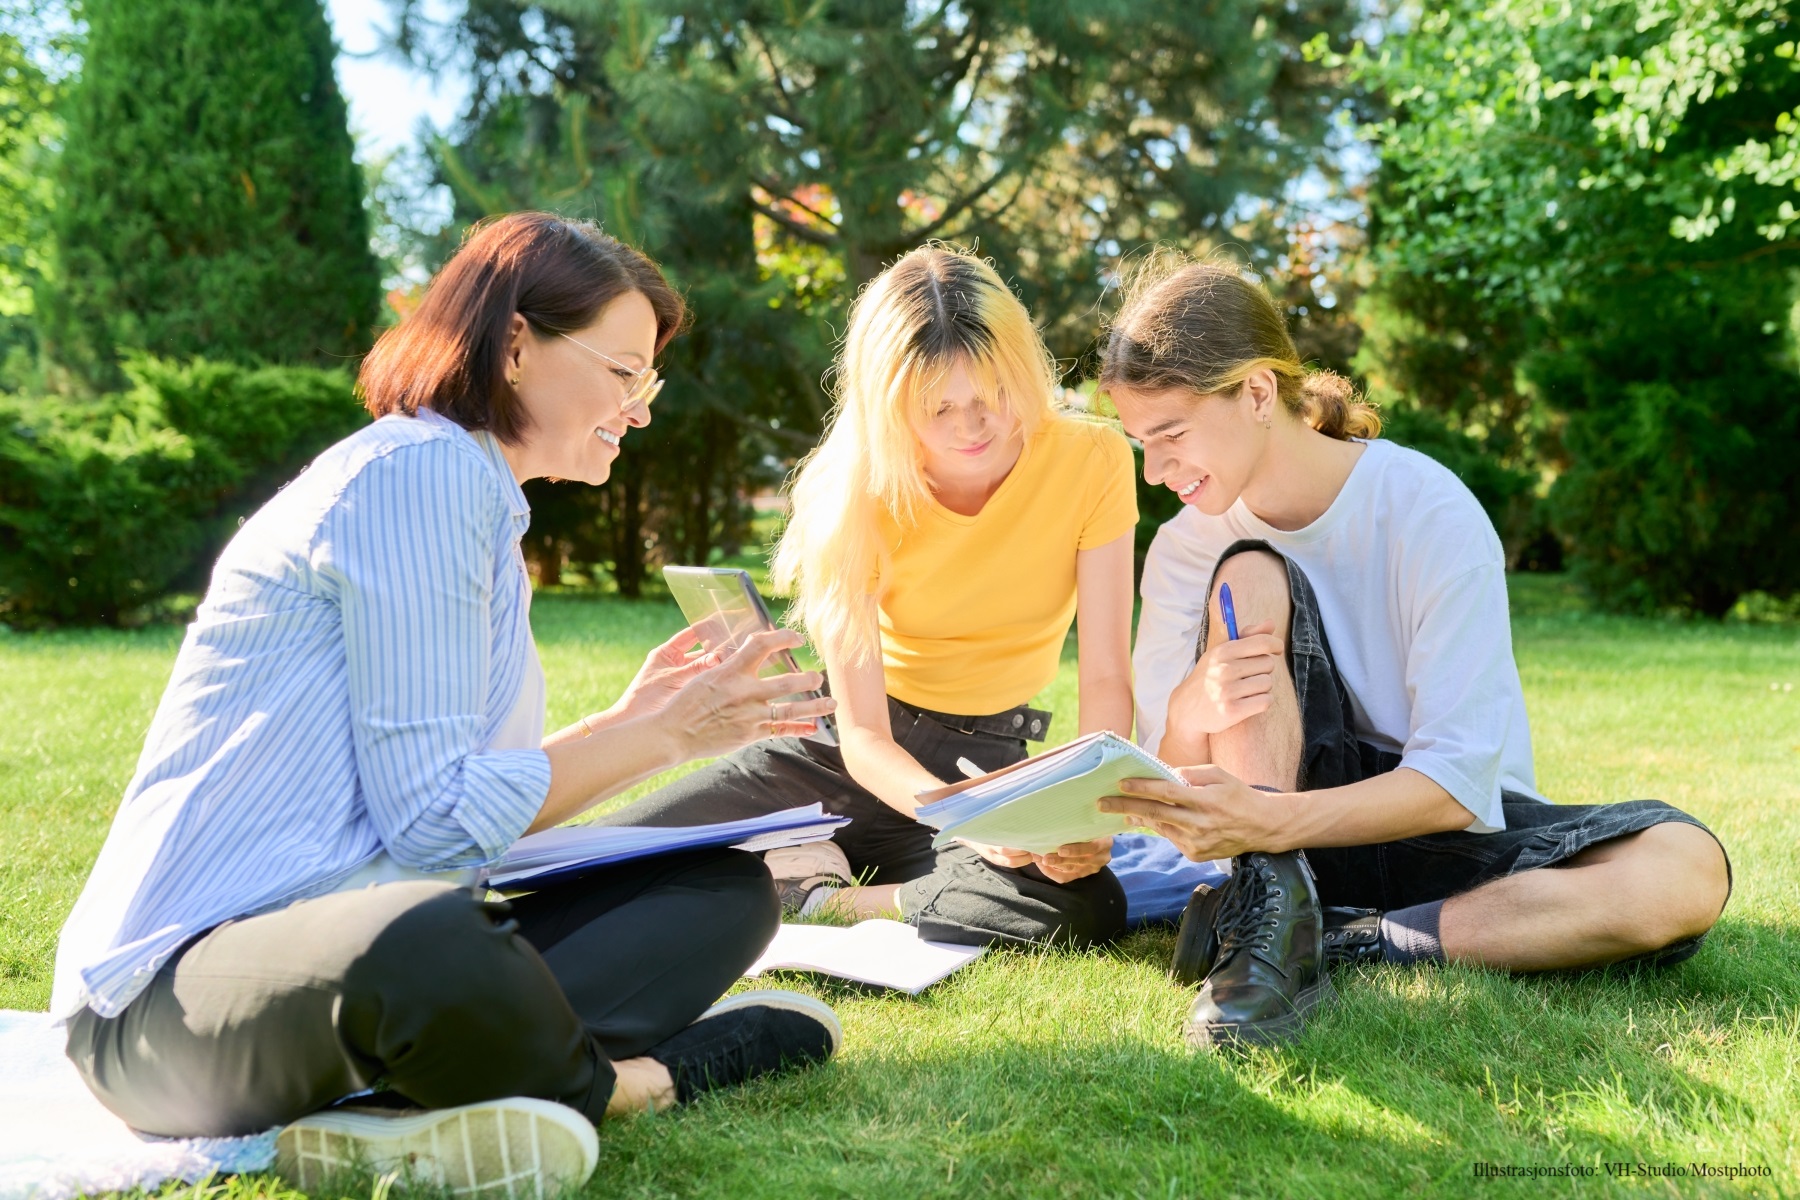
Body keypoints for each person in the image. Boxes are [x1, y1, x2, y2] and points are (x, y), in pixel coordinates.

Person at [51, 213, 842, 1193]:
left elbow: (451, 814)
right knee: (426, 938)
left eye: (650, 380)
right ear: (516, 344)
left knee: (719, 890)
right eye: (623, 372)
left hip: (337, 962)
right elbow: (435, 826)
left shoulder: (478, 511)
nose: (641, 409)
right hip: (165, 1010)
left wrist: (633, 725)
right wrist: (657, 737)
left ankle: (416, 1099)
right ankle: (633, 1083)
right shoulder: (419, 476)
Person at [1091, 257, 1732, 1048]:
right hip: (1278, 845)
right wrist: (1193, 709)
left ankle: (1343, 939)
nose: (1155, 473)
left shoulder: (1425, 507)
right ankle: (1269, 917)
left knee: (1683, 868)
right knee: (1250, 572)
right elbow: (1171, 781)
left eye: (1171, 435)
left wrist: (1275, 818)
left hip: (1432, 835)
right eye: (1139, 444)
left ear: (1258, 393)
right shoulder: (1189, 551)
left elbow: (1458, 785)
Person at [602, 245, 1138, 946]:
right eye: (936, 407)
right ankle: (801, 861)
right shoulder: (847, 488)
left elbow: (1104, 676)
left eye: (992, 395)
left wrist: (1081, 818)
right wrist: (959, 818)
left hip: (987, 763)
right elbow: (861, 737)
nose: (970, 426)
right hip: (843, 756)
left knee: (1084, 907)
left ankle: (824, 898)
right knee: (606, 860)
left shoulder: (1092, 459)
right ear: (887, 401)